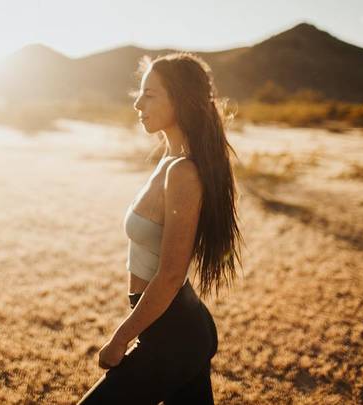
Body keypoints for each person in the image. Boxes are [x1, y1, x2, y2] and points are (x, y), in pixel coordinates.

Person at [77, 52, 245, 405]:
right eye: (139, 93)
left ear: (181, 100)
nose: (138, 103)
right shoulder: (169, 160)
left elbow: (170, 275)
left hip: (175, 336)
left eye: (150, 94)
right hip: (175, 328)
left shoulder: (183, 172)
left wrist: (121, 339)